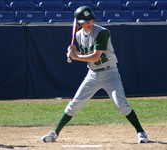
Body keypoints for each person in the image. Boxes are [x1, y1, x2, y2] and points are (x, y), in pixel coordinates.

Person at [42, 6, 148, 144]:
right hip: (92, 74)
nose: (89, 22)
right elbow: (85, 56)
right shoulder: (79, 36)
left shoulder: (102, 32)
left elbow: (96, 57)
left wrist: (75, 57)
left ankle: (141, 132)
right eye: (85, 20)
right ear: (79, 23)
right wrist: (74, 53)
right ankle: (55, 133)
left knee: (121, 105)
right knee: (74, 104)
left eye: (90, 19)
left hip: (110, 73)